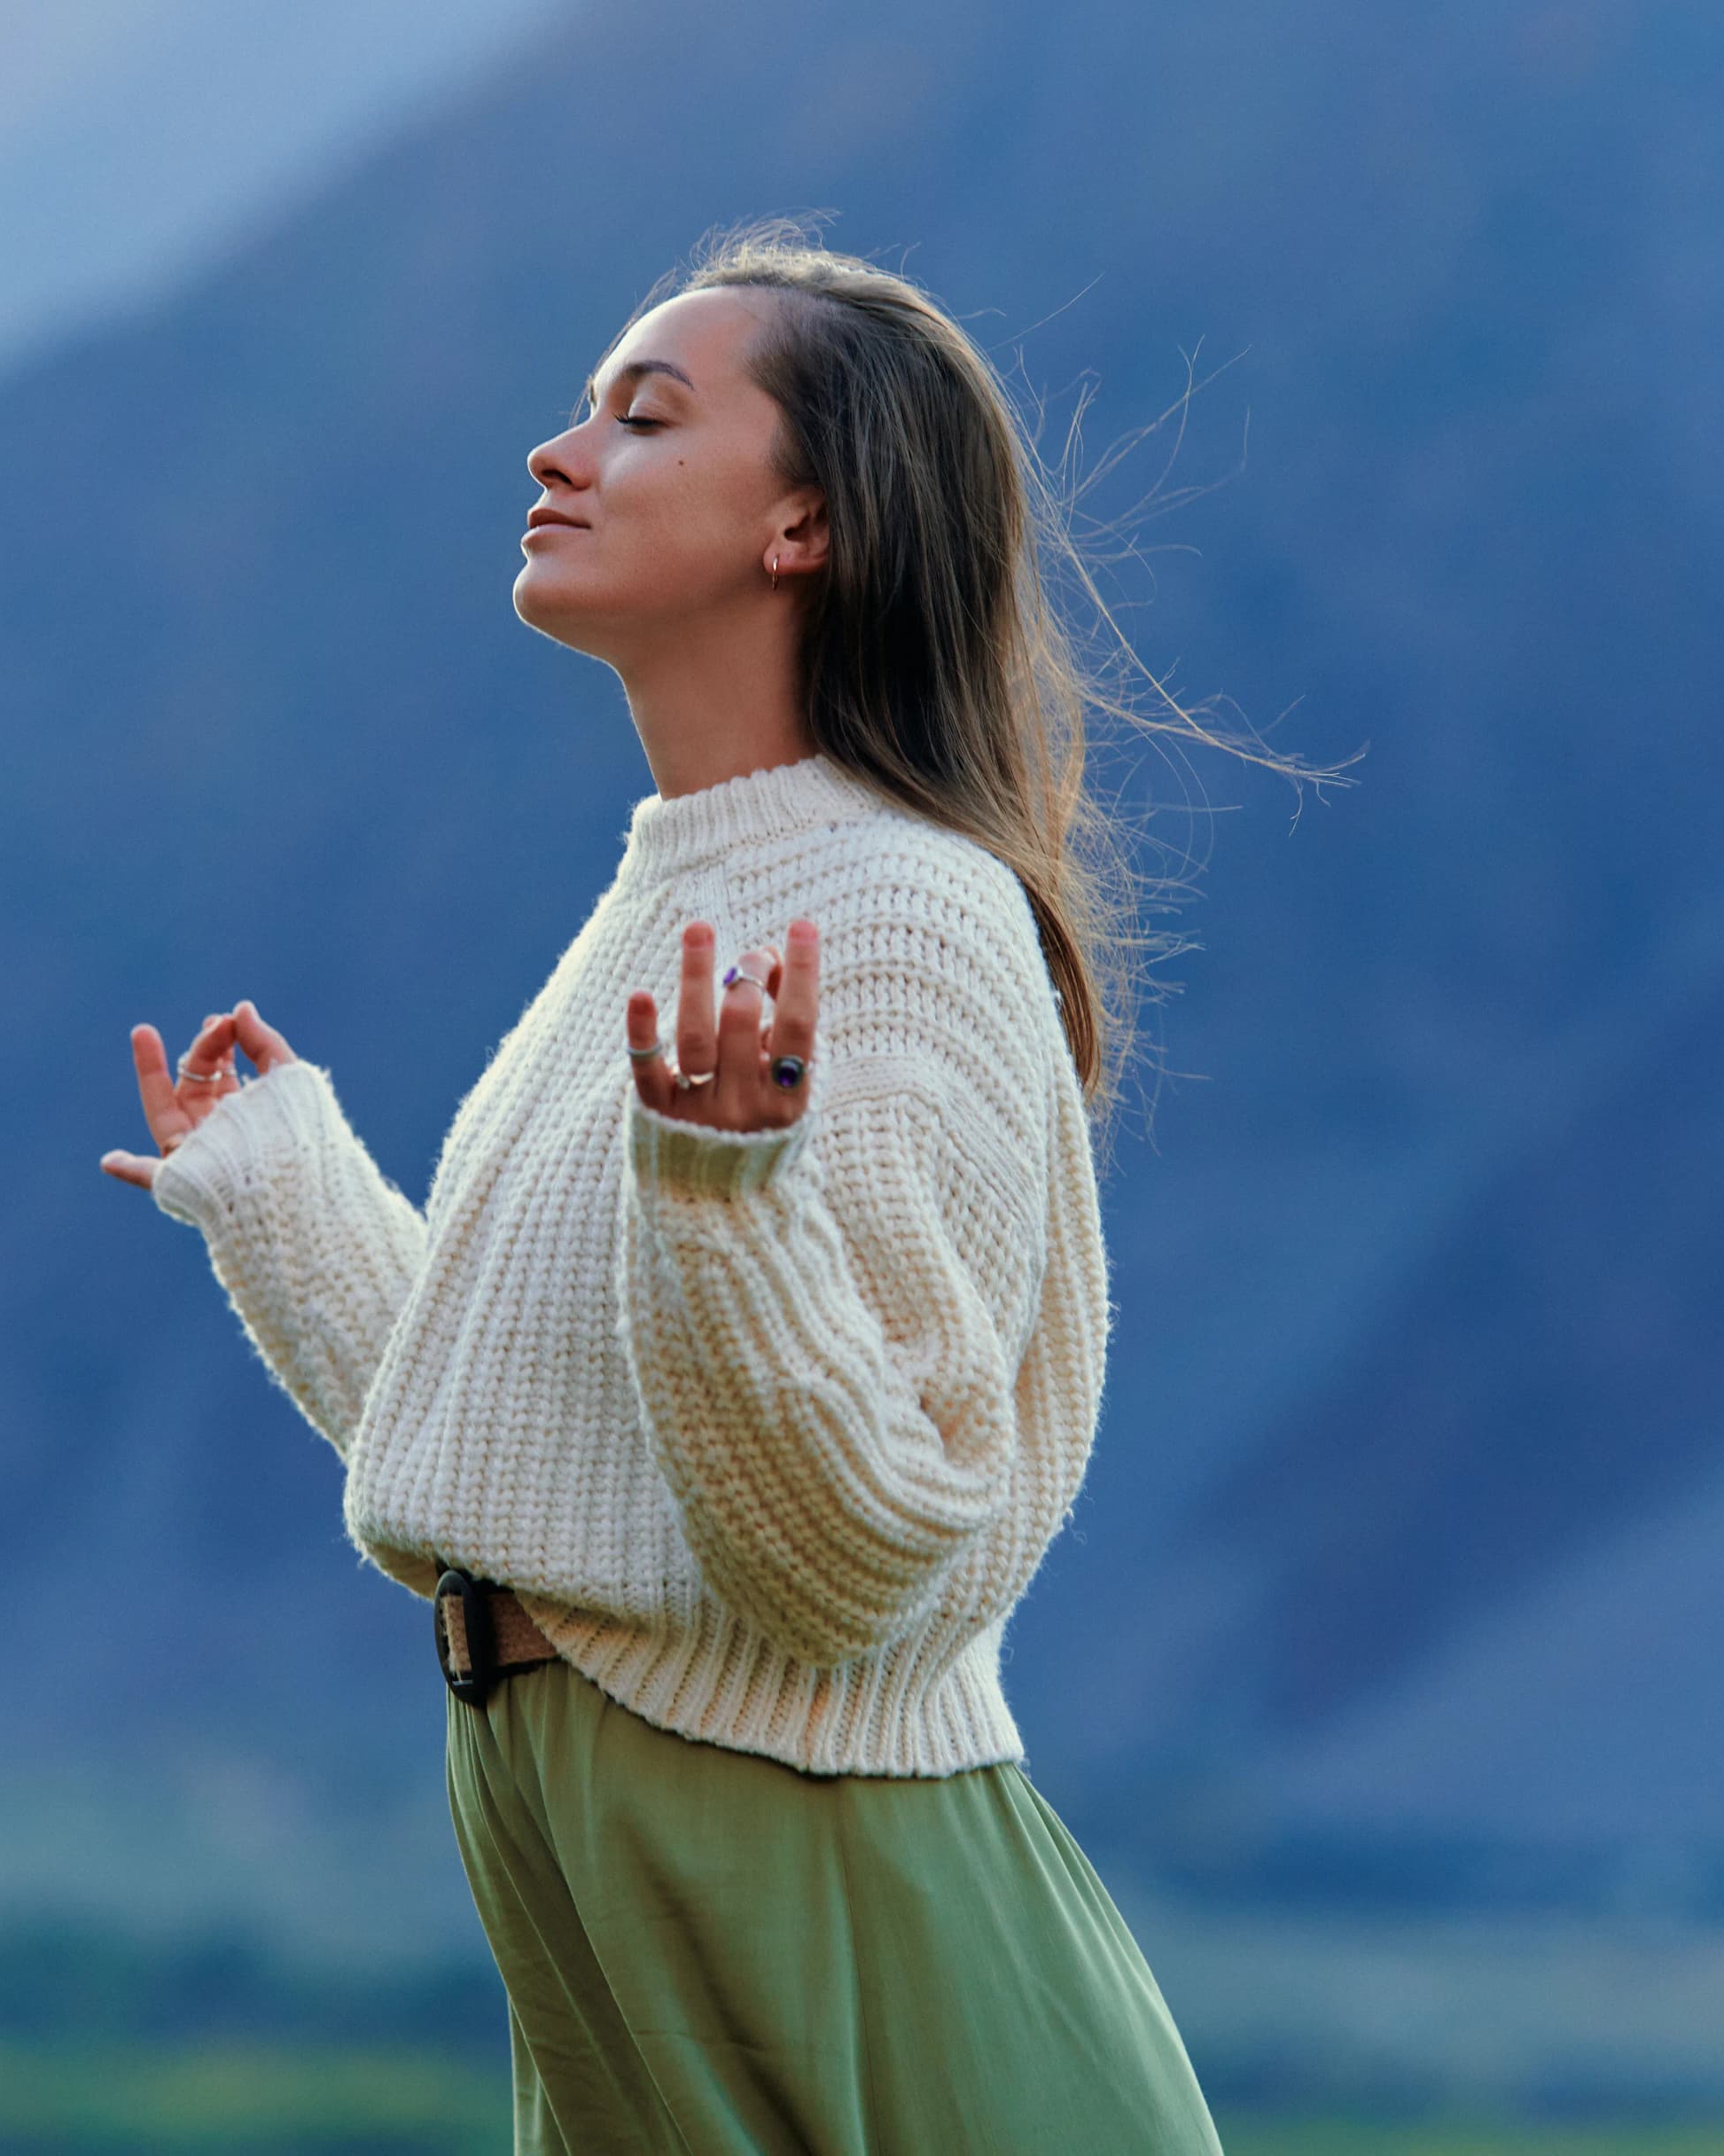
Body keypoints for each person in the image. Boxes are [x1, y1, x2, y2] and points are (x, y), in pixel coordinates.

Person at [100, 220, 1229, 2152]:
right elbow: (535, 1466)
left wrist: (721, 1202)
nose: (557, 454)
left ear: (805, 525)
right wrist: (281, 1196)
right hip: (618, 1931)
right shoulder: (675, 896)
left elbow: (859, 1555)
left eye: (640, 413)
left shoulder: (903, 920)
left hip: (828, 1935)